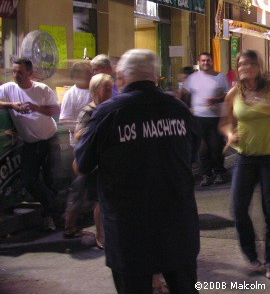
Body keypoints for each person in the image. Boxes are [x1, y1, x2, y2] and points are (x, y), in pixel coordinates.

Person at [74, 50, 200, 294]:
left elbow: (83, 163)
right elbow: (192, 154)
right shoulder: (178, 110)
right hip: (177, 224)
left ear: (121, 77)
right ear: (154, 76)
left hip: (129, 229)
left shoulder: (108, 113)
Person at [220, 49, 270, 280]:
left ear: (258, 67)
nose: (245, 68)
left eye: (250, 64)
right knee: (238, 208)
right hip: (245, 158)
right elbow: (225, 123)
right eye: (241, 65)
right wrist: (229, 135)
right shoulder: (233, 94)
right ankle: (252, 255)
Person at [0, 58, 61, 231]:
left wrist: (35, 108)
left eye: (20, 72)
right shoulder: (8, 89)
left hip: (49, 140)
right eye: (14, 72)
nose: (16, 75)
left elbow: (55, 110)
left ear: (29, 73)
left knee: (50, 180)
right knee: (28, 180)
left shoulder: (41, 89)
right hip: (30, 143)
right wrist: (11, 105)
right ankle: (57, 209)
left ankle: (52, 218)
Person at [63, 73, 113, 248]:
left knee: (93, 197)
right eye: (106, 88)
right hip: (90, 161)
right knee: (89, 197)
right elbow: (78, 134)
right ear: (95, 90)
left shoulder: (110, 107)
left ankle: (74, 228)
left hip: (103, 161)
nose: (110, 91)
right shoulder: (90, 111)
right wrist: (98, 130)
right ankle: (99, 236)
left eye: (111, 87)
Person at [181, 52, 230, 186]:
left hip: (215, 118)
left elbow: (228, 94)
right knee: (202, 149)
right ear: (199, 62)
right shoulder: (193, 78)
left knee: (215, 147)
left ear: (212, 62)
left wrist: (217, 99)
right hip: (198, 118)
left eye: (208, 60)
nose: (205, 63)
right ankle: (206, 175)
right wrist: (185, 109)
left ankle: (219, 172)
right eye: (203, 61)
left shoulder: (220, 77)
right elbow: (184, 94)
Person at [59, 61, 93, 146]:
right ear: (77, 76)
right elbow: (63, 121)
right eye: (86, 72)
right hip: (79, 142)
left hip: (95, 139)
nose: (91, 74)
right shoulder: (70, 94)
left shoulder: (95, 89)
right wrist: (84, 127)